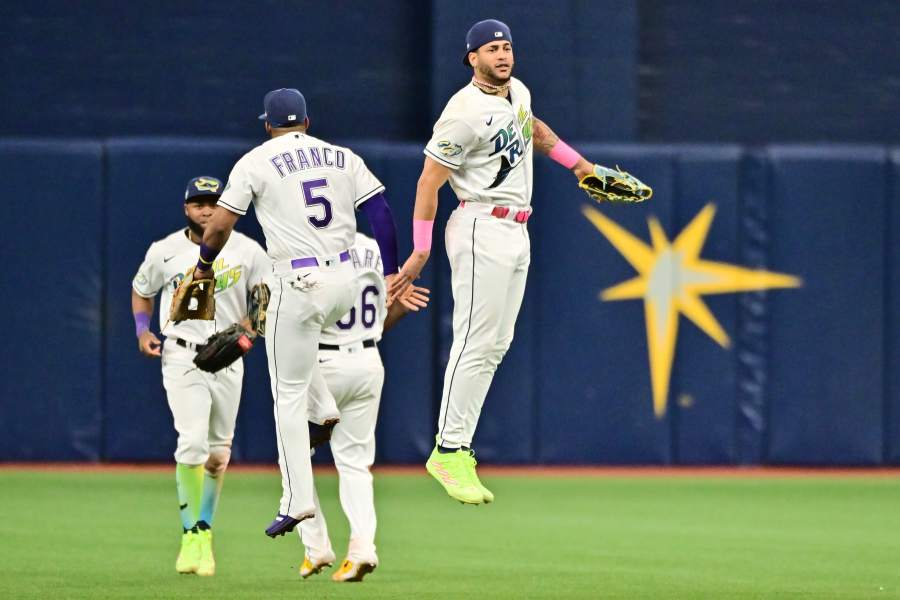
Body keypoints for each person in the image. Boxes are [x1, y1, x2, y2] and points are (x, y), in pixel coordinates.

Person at [390, 19, 635, 504]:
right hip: (481, 223)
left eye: (506, 47)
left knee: (496, 344)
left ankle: (458, 447)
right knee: (475, 340)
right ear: (471, 58)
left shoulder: (517, 91)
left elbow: (534, 129)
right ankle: (448, 449)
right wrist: (421, 250)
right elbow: (427, 182)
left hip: (516, 227)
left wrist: (582, 167)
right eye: (491, 49)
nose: (502, 55)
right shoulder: (462, 113)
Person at [185, 88, 402, 541]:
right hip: (347, 279)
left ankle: (296, 500)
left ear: (268, 124)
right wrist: (394, 268)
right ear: (306, 120)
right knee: (300, 353)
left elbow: (221, 225)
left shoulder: (255, 160)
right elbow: (380, 212)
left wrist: (203, 265)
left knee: (286, 392)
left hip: (299, 282)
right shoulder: (341, 155)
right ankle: (323, 411)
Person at [131, 175, 270, 575]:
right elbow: (141, 289)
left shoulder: (248, 250)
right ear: (186, 209)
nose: (207, 209)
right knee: (191, 443)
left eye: (213, 202)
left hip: (228, 360)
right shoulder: (165, 251)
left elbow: (262, 300)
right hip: (182, 356)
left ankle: (204, 530)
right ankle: (192, 534)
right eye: (198, 203)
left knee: (218, 455)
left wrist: (248, 334)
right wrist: (143, 330)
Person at [298, 233, 430, 583]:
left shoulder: (309, 248)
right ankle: (362, 549)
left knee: (293, 457)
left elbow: (296, 321)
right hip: (369, 360)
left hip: (323, 364)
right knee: (355, 463)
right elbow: (399, 303)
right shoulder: (374, 249)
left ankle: (317, 547)